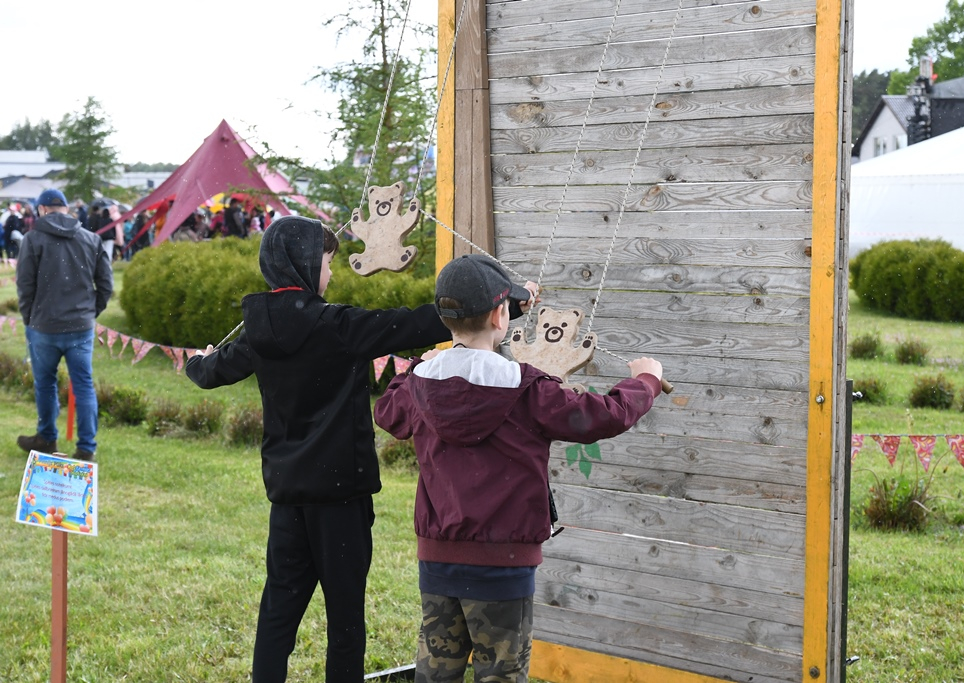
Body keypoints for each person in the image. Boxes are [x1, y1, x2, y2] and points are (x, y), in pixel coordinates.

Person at [189, 217, 513, 682]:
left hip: (287, 495)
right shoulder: (336, 325)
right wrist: (506, 303)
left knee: (279, 608)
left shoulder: (257, 332)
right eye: (326, 262)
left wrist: (198, 362)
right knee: (345, 617)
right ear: (304, 264)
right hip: (341, 496)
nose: (332, 273)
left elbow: (208, 372)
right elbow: (419, 322)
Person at [373, 254, 664, 683]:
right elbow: (606, 415)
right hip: (504, 566)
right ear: (499, 315)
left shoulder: (419, 382)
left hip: (438, 561)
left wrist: (424, 362)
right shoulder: (529, 389)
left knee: (436, 674)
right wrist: (647, 380)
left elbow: (387, 409)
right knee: (501, 675)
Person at [16, 188, 113, 461]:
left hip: (43, 327)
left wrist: (30, 318)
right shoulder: (91, 239)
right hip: (79, 326)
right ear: (66, 209)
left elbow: (24, 286)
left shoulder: (32, 239)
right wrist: (90, 313)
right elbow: (106, 285)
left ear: (42, 209)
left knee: (45, 384)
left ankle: (47, 437)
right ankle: (86, 448)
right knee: (83, 385)